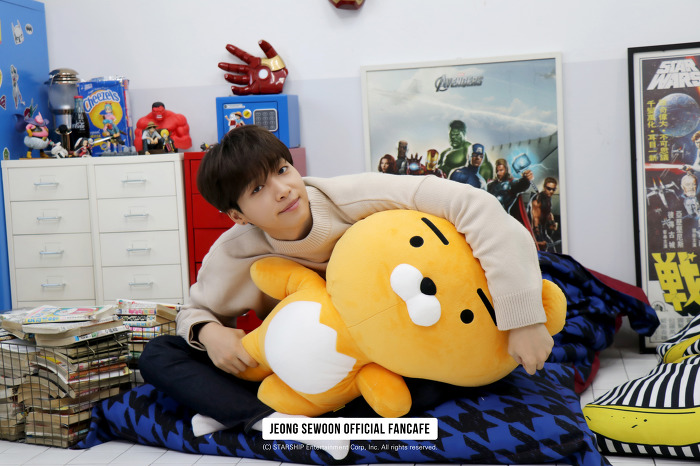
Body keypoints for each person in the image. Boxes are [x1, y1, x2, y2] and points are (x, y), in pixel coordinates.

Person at [139, 125, 554, 440]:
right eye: (258, 188)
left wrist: (523, 318)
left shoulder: (354, 195)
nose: (283, 190)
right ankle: (269, 421)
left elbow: (476, 205)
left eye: (283, 170)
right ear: (237, 215)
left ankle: (270, 419)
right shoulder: (234, 252)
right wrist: (208, 332)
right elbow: (194, 309)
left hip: (380, 362)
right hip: (296, 368)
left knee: (444, 377)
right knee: (159, 353)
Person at [530, 177, 559, 251]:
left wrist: (552, 222)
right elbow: (535, 219)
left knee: (552, 252)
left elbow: (548, 213)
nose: (551, 191)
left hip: (543, 230)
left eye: (553, 189)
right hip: (537, 232)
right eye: (549, 189)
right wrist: (537, 240)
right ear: (544, 187)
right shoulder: (538, 199)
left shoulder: (548, 197)